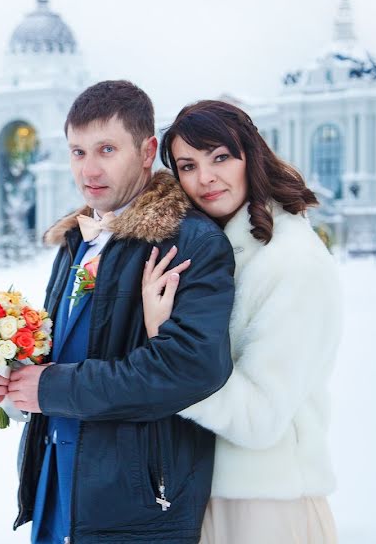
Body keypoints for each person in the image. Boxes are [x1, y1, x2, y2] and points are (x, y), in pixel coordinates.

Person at [0, 80, 235, 543]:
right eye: (77, 152)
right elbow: (65, 352)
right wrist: (9, 382)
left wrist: (52, 387)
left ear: (147, 150)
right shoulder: (76, 239)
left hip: (137, 508)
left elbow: (190, 369)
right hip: (59, 496)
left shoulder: (190, 241)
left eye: (107, 149)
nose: (89, 169)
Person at [146, 99, 342, 544]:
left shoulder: (292, 263)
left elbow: (260, 418)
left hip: (268, 508)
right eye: (188, 165)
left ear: (250, 157)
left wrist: (168, 351)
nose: (205, 178)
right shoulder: (219, 252)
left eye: (220, 157)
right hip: (211, 498)